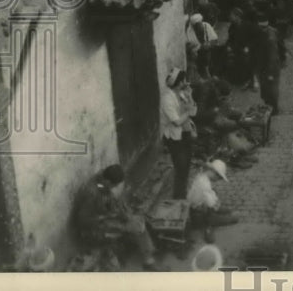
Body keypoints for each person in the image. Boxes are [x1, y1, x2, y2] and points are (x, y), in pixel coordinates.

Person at [73, 164, 157, 270]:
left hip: (103, 219)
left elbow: (109, 200)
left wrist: (122, 214)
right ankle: (148, 261)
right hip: (92, 229)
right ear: (108, 182)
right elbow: (83, 220)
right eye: (114, 185)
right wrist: (109, 217)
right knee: (136, 226)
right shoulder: (92, 193)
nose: (114, 188)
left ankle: (148, 259)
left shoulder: (102, 179)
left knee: (138, 221)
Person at [161, 69, 197, 199]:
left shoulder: (182, 94)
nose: (186, 82)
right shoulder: (167, 99)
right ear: (178, 82)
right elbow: (177, 122)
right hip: (174, 137)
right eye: (183, 80)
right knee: (180, 166)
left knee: (186, 164)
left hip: (185, 133)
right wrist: (187, 112)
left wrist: (190, 96)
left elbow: (194, 112)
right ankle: (178, 195)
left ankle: (182, 193)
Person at [187, 159, 239, 241]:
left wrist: (216, 202)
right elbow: (211, 204)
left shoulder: (202, 176)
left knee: (214, 193)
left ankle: (220, 215)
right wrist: (218, 205)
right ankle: (210, 225)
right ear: (214, 173)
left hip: (197, 208)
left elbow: (211, 197)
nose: (218, 180)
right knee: (219, 218)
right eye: (219, 177)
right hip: (198, 214)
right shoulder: (205, 185)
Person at [257, 22, 283, 115]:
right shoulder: (270, 31)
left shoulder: (270, 39)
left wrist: (271, 73)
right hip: (265, 66)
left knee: (271, 89)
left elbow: (272, 57)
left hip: (270, 68)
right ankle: (269, 106)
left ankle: (273, 109)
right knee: (266, 88)